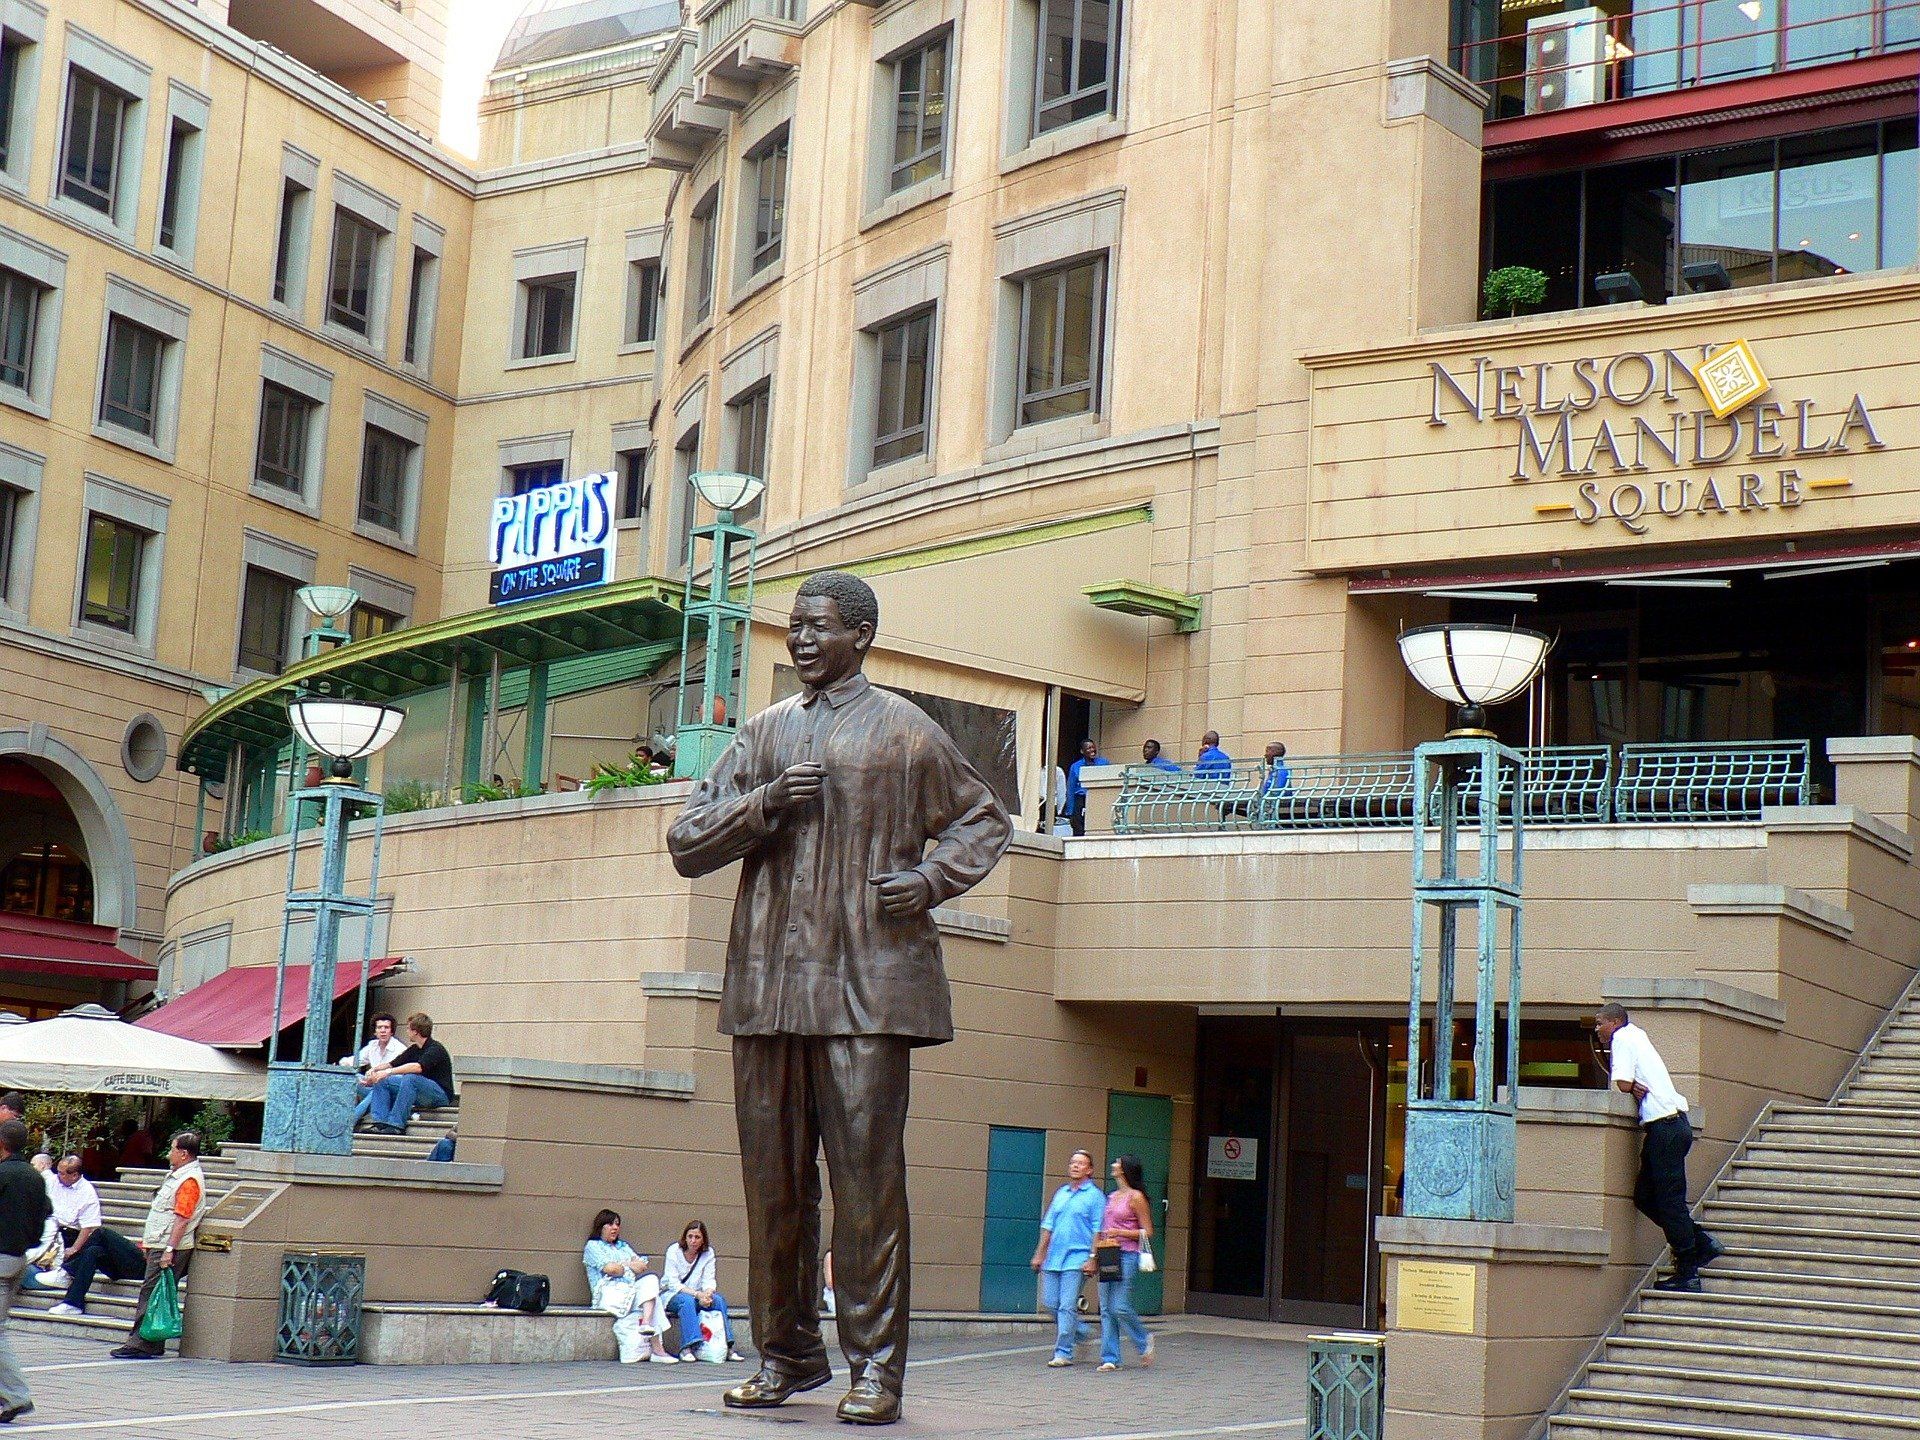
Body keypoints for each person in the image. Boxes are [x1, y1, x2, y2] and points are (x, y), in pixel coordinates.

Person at [667, 571, 1012, 1426]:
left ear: (861, 634)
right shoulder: (765, 733)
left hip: (866, 991)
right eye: (795, 626)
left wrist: (931, 878)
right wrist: (761, 806)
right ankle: (785, 1355)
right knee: (773, 1188)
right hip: (770, 995)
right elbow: (684, 840)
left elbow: (985, 818)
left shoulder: (905, 730)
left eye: (819, 626)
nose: (803, 640)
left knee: (866, 1186)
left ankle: (877, 1370)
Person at [1596, 1003, 1722, 1292]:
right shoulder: (1638, 1035)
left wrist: (1630, 1086)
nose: (1597, 1029)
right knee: (1645, 1196)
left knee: (1669, 1201)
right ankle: (1701, 1242)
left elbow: (1623, 1082)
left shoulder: (1623, 1038)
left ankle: (1688, 1270)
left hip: (1665, 1127)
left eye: (1600, 1023)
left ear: (1615, 1022)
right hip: (1672, 1126)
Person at [110, 1130, 208, 1359]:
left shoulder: (189, 1180)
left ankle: (140, 1343)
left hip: (169, 1245)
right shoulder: (179, 1175)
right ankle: (151, 1341)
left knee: (151, 1291)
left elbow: (182, 1218)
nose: (168, 1154)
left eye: (172, 1149)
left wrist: (168, 1249)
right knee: (154, 1292)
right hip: (161, 1241)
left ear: (183, 1154)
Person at [1030, 1149, 1106, 1368]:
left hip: (1078, 1258)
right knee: (1050, 1303)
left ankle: (1063, 1352)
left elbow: (1097, 1231)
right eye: (1073, 1162)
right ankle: (1081, 1332)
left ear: (1089, 1170)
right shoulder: (1061, 1193)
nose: (1075, 1166)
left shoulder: (1095, 1197)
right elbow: (1048, 1226)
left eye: (1081, 1163)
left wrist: (1093, 1257)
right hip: (1054, 1258)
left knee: (1066, 1306)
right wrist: (1040, 1253)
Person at [0, 1119, 49, 1422]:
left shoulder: (2, 1174)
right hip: (18, 1257)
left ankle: (16, 1395)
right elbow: (44, 1214)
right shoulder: (35, 1176)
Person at [582, 1210, 675, 1364]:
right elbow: (610, 1269)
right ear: (600, 1227)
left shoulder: (622, 1246)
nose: (615, 1228)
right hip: (608, 1292)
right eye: (610, 1224)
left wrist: (622, 1267)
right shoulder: (593, 1246)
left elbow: (642, 1266)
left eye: (617, 1224)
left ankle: (646, 1323)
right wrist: (628, 1265)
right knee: (653, 1299)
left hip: (628, 1290)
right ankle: (658, 1349)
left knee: (651, 1280)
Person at [1094, 1155, 1155, 1372]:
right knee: (1106, 1308)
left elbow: (1148, 1231)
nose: (1113, 1165)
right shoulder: (1111, 1197)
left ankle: (1143, 1340)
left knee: (1119, 1305)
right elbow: (1102, 1227)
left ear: (1125, 1169)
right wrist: (1095, 1254)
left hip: (1127, 1255)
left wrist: (1120, 1232)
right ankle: (1110, 1357)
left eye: (1117, 1163)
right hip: (1107, 1253)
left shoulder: (1136, 1197)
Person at [661, 1221, 744, 1363]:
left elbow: (709, 1280)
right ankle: (688, 1347)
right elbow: (674, 1284)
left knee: (719, 1300)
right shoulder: (674, 1251)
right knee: (686, 1301)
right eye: (690, 1236)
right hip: (673, 1295)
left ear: (703, 1239)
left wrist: (708, 1294)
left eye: (697, 1237)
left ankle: (729, 1346)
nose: (693, 1241)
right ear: (685, 1237)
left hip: (699, 1295)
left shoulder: (708, 1253)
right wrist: (698, 1295)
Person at [360, 1013, 454, 1134]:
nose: (407, 1031)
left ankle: (396, 1124)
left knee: (410, 1078)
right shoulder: (414, 1049)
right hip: (421, 1091)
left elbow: (418, 1067)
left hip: (440, 1095)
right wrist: (375, 1072)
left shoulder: (435, 1049)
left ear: (415, 1031)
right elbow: (392, 1064)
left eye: (408, 1028)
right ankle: (380, 1123)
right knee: (383, 1080)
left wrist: (387, 1072)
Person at [28, 1156, 98, 1293]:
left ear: (74, 1175)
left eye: (62, 1173)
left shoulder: (88, 1192)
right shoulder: (51, 1182)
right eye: (58, 1171)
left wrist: (74, 1249)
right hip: (45, 1227)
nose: (58, 1175)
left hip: (68, 1234)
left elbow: (87, 1226)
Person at [346, 1014, 408, 1125]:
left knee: (378, 1087)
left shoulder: (400, 1049)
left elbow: (402, 1079)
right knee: (351, 1077)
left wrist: (376, 1079)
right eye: (379, 1028)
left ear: (392, 1031)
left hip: (391, 1093)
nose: (383, 1031)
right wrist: (340, 1064)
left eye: (386, 1027)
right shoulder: (372, 1046)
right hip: (372, 1087)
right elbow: (354, 1061)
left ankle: (351, 1120)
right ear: (375, 1032)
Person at [1063, 739, 1110, 838]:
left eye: (1093, 747)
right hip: (1081, 799)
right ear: (1082, 751)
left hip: (1099, 798)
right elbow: (1070, 789)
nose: (1092, 750)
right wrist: (1070, 812)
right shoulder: (1075, 766)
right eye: (1088, 748)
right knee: (1079, 828)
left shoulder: (1104, 763)